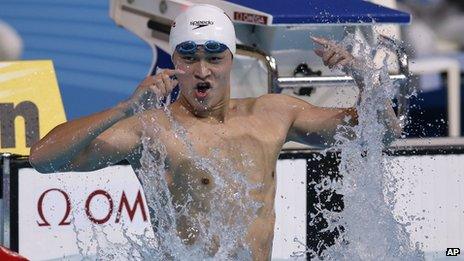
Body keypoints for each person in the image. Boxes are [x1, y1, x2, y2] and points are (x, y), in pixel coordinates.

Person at [29, 4, 400, 260]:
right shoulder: (154, 130)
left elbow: (381, 134)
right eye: (189, 56)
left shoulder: (273, 113)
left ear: (231, 59)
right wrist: (123, 109)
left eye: (214, 57)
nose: (202, 70)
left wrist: (363, 75)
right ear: (174, 60)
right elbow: (43, 158)